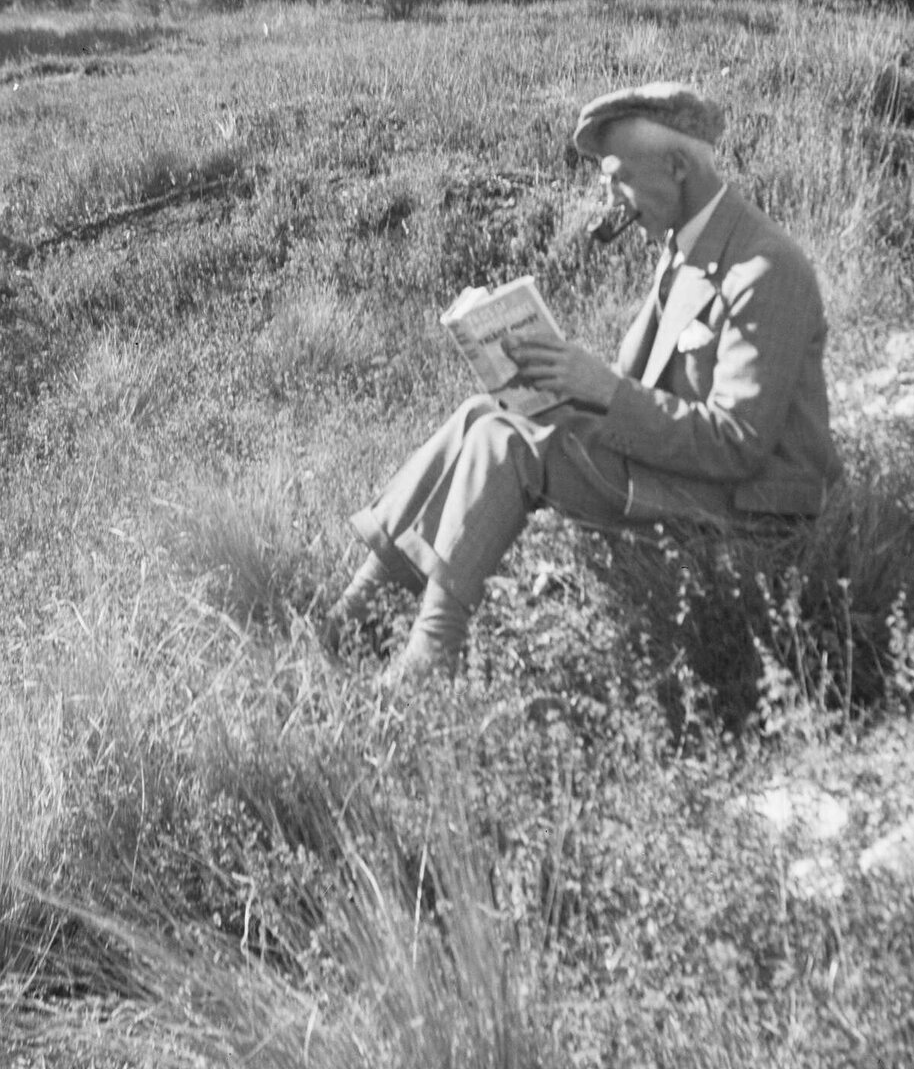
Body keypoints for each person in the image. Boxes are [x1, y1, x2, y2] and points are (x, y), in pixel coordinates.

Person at [327, 83, 844, 679]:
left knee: (511, 444)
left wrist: (602, 390)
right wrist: (548, 372)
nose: (610, 200)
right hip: (689, 469)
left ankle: (430, 655)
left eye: (619, 178)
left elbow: (740, 442)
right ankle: (359, 610)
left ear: (677, 168)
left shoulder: (763, 267)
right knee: (481, 415)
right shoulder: (687, 246)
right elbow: (646, 390)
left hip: (755, 506)